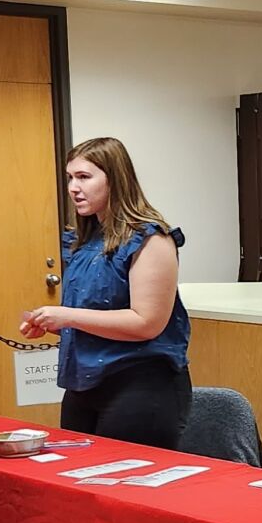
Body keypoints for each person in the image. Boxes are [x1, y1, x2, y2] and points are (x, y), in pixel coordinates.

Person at [21, 137, 190, 450]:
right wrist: (56, 323)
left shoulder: (151, 240)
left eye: (84, 177)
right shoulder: (84, 242)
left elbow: (146, 323)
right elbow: (97, 314)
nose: (73, 188)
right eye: (70, 178)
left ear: (115, 180)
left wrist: (67, 315)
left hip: (139, 387)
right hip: (83, 383)